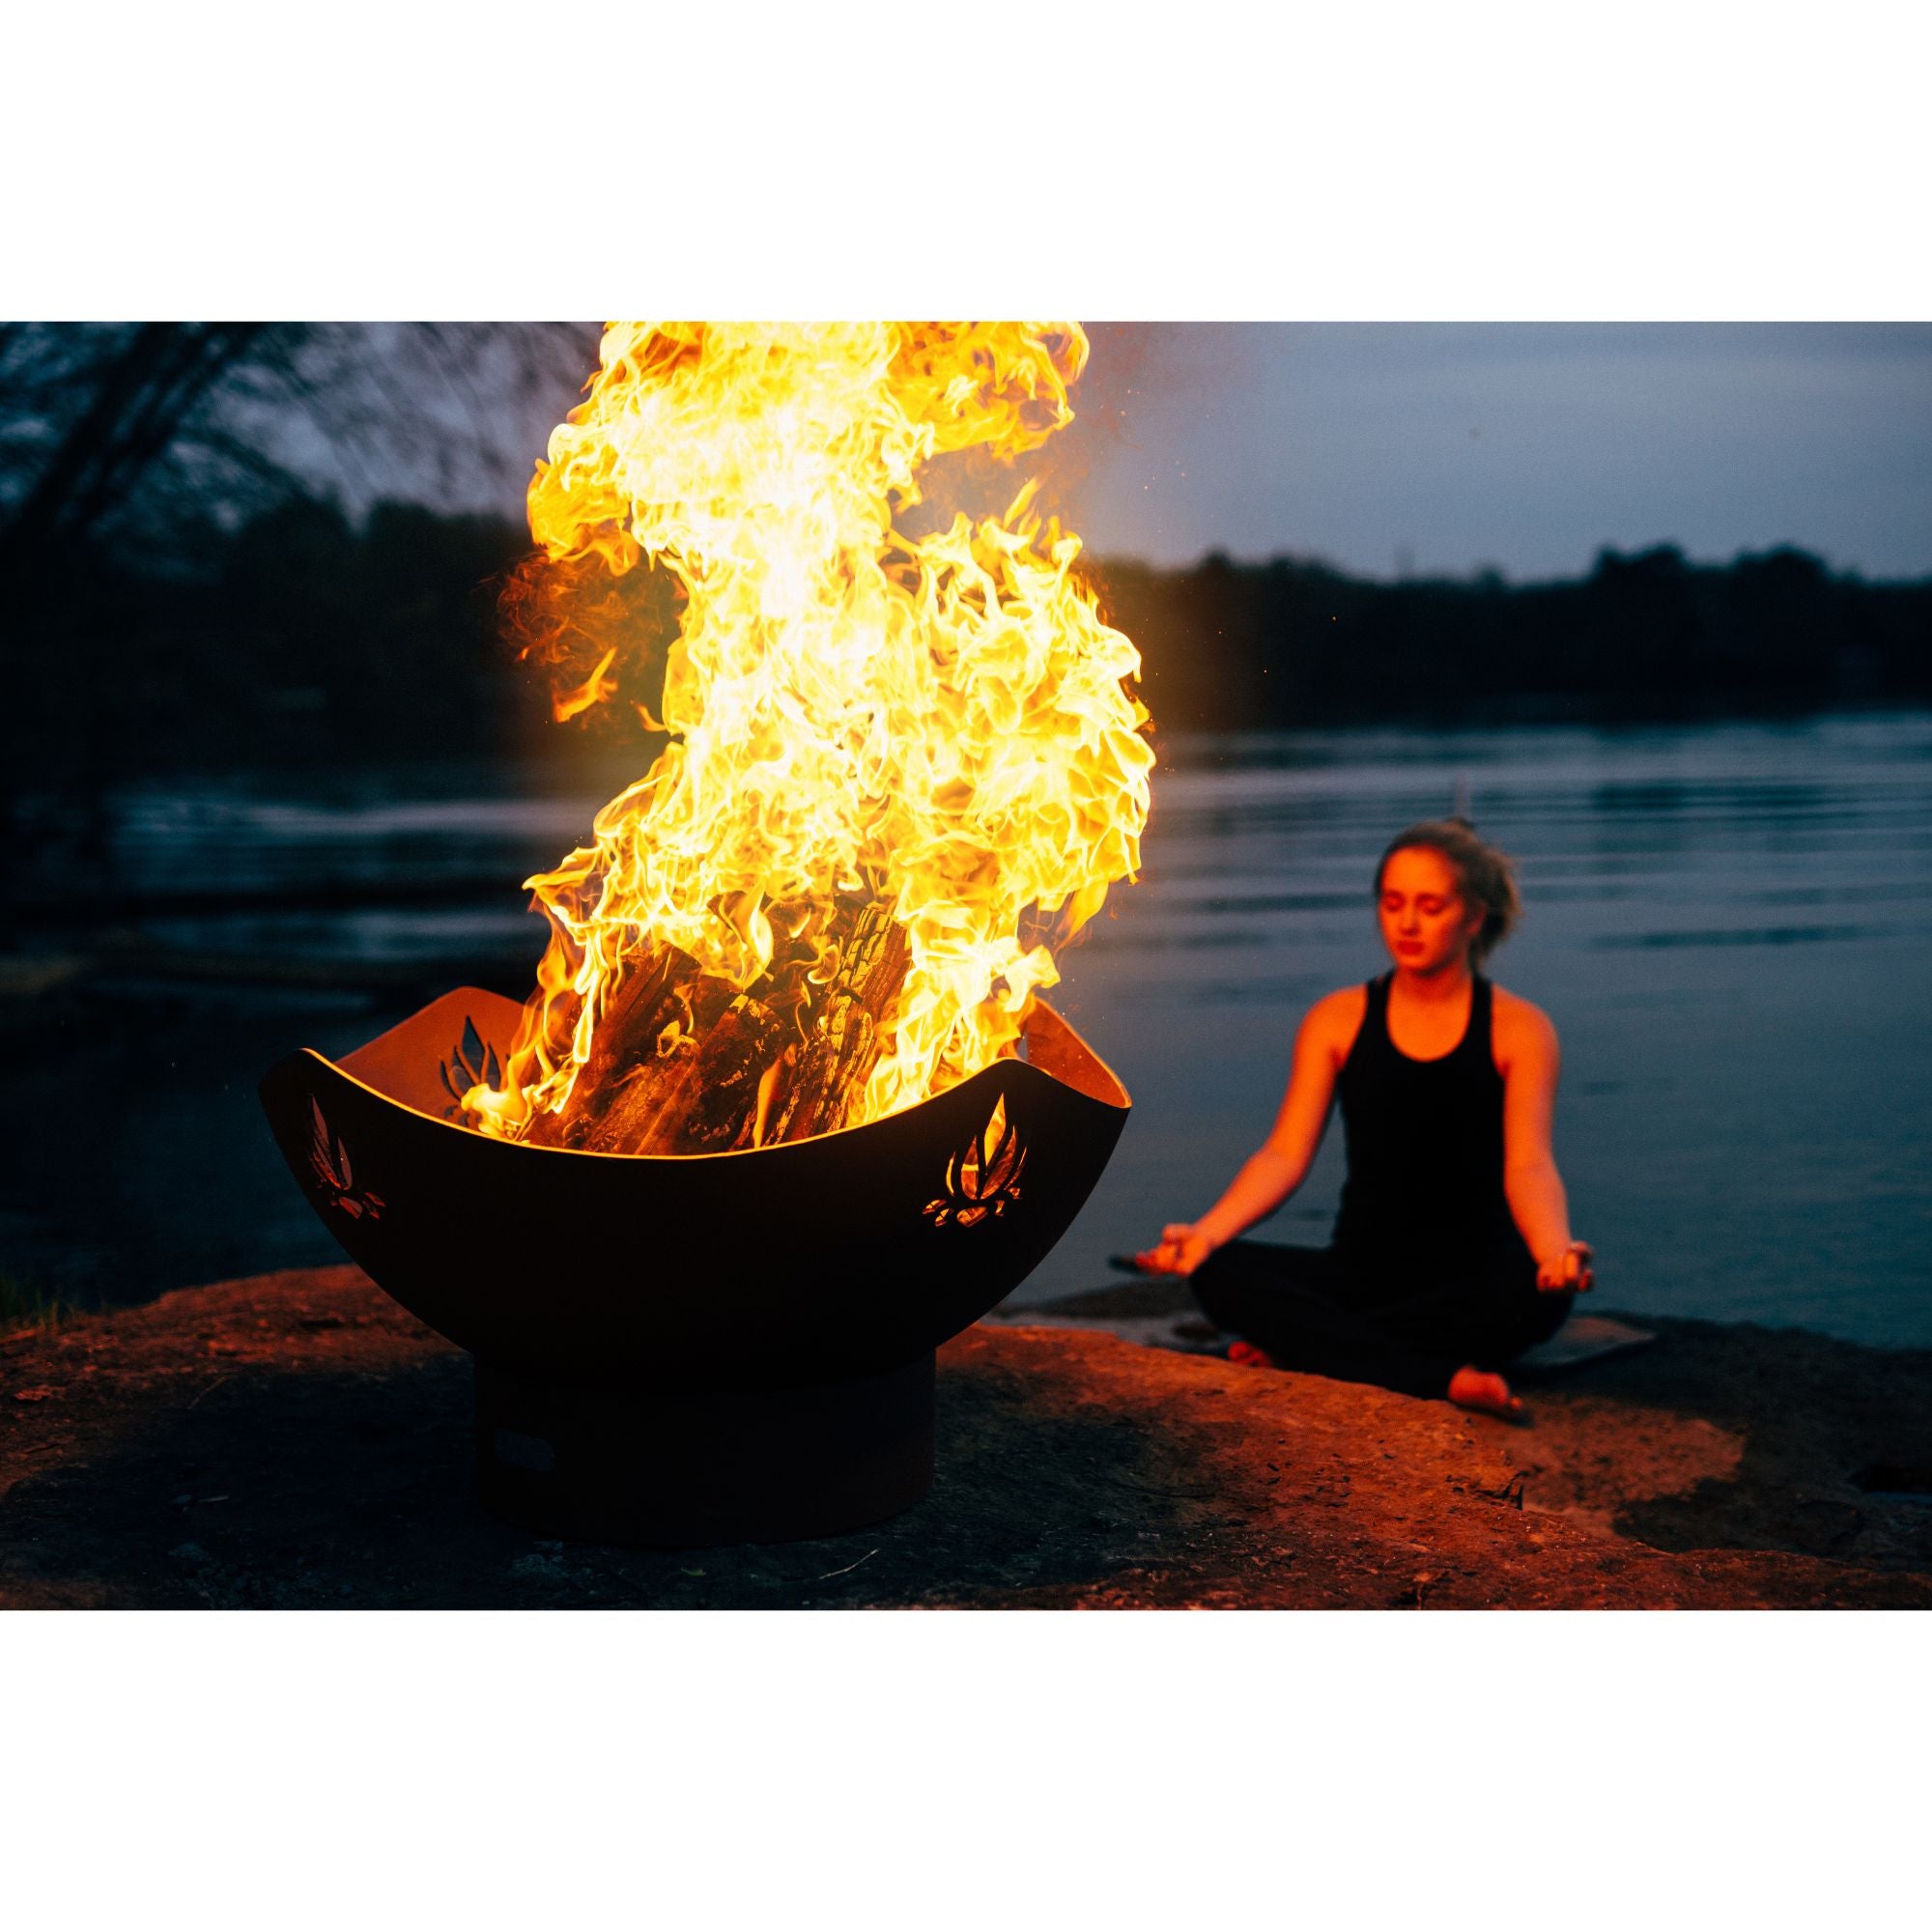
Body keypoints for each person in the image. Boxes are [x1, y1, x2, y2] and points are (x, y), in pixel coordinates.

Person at [1135, 818, 1594, 1422]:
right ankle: (1440, 1377)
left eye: (1430, 906)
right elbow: (1283, 1155)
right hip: (1358, 1271)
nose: (1406, 923)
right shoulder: (1338, 1019)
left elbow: (1530, 1164)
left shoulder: (1520, 1028)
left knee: (1536, 1302)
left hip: (1472, 1279)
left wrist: (1553, 1253)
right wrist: (1206, 1234)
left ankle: (1316, 1349)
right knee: (1220, 1274)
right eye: (1393, 903)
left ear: (1474, 917)